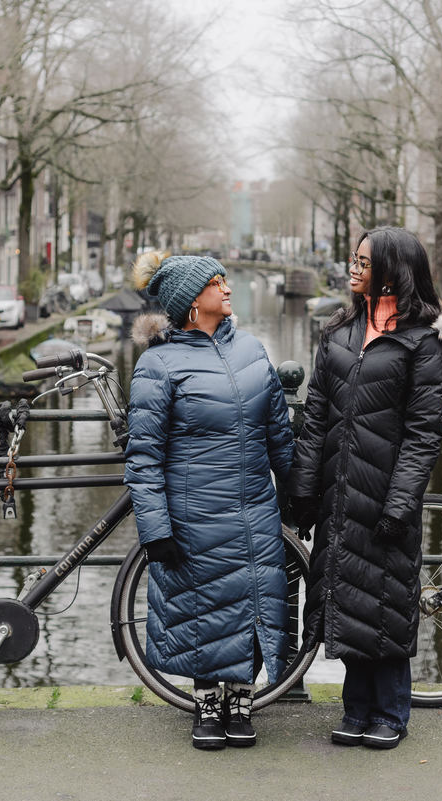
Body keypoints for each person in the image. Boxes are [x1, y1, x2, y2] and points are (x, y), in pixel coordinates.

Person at [288, 227, 442, 750]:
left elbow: (422, 433)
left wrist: (401, 503)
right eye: (354, 259)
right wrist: (302, 487)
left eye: (363, 261)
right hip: (339, 494)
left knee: (385, 598)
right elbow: (316, 414)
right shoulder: (339, 331)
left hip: (386, 494)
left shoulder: (423, 342)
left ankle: (390, 712)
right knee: (347, 597)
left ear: (392, 270)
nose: (353, 267)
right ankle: (356, 708)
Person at [123, 252, 294, 751]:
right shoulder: (158, 363)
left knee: (253, 605)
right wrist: (154, 529)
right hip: (194, 515)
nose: (228, 289)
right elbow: (144, 456)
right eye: (217, 283)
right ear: (191, 301)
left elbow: (279, 436)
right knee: (203, 611)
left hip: (254, 509)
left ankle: (241, 700)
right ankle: (207, 703)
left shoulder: (252, 350)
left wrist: (296, 497)